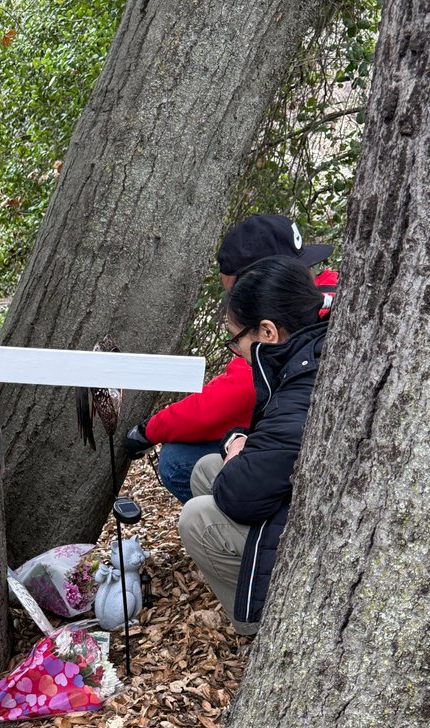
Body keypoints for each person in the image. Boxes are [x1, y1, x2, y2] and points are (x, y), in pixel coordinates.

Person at [124, 214, 337, 501]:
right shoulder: (326, 294)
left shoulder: (281, 329)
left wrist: (150, 430)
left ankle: (240, 538)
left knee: (177, 461)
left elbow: (226, 400)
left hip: (289, 461)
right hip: (298, 445)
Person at [178, 256, 329, 635]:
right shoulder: (306, 352)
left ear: (267, 332)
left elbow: (242, 494)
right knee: (205, 469)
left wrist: (236, 456)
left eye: (235, 340)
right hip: (296, 502)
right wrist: (239, 445)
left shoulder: (304, 381)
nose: (237, 351)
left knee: (197, 517)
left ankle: (262, 629)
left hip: (311, 534)